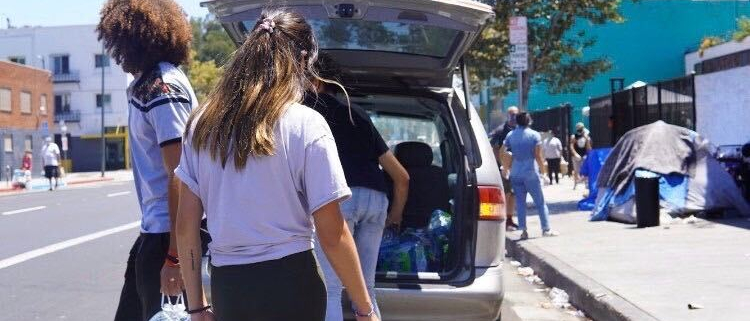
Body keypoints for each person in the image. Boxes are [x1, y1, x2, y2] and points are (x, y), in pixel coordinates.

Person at [174, 9, 380, 321]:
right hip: (293, 283)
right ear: (303, 59)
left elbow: (186, 226)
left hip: (230, 287)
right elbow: (333, 233)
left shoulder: (201, 124)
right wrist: (365, 309)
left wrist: (197, 306)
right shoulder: (306, 124)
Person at [98, 1, 197, 320]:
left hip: (166, 237)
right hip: (156, 232)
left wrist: (174, 257)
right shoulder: (151, 83)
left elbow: (180, 174)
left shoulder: (161, 88)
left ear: (130, 40)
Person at [304, 54, 410, 321]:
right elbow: (401, 177)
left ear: (315, 80)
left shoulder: (306, 111)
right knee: (365, 287)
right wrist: (395, 215)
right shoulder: (357, 113)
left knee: (330, 288)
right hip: (376, 200)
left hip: (339, 199)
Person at [502, 113, 558, 239]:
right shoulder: (534, 135)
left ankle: (523, 231)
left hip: (516, 172)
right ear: (529, 121)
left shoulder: (510, 135)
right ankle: (546, 228)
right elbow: (538, 155)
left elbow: (503, 150)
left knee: (520, 204)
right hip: (531, 172)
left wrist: (505, 168)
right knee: (540, 202)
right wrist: (544, 173)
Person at [489, 106, 519, 231]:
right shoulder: (501, 131)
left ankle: (510, 218)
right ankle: (504, 220)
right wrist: (502, 165)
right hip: (504, 168)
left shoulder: (520, 130)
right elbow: (495, 148)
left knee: (513, 194)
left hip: (517, 167)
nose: (514, 117)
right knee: (506, 193)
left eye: (516, 114)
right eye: (511, 114)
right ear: (508, 115)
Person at [570, 122, 592, 190]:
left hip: (584, 154)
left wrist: (587, 139)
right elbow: (571, 146)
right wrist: (575, 154)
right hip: (576, 155)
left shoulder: (586, 136)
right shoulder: (574, 136)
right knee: (576, 170)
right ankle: (575, 183)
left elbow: (589, 148)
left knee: (586, 168)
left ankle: (586, 183)